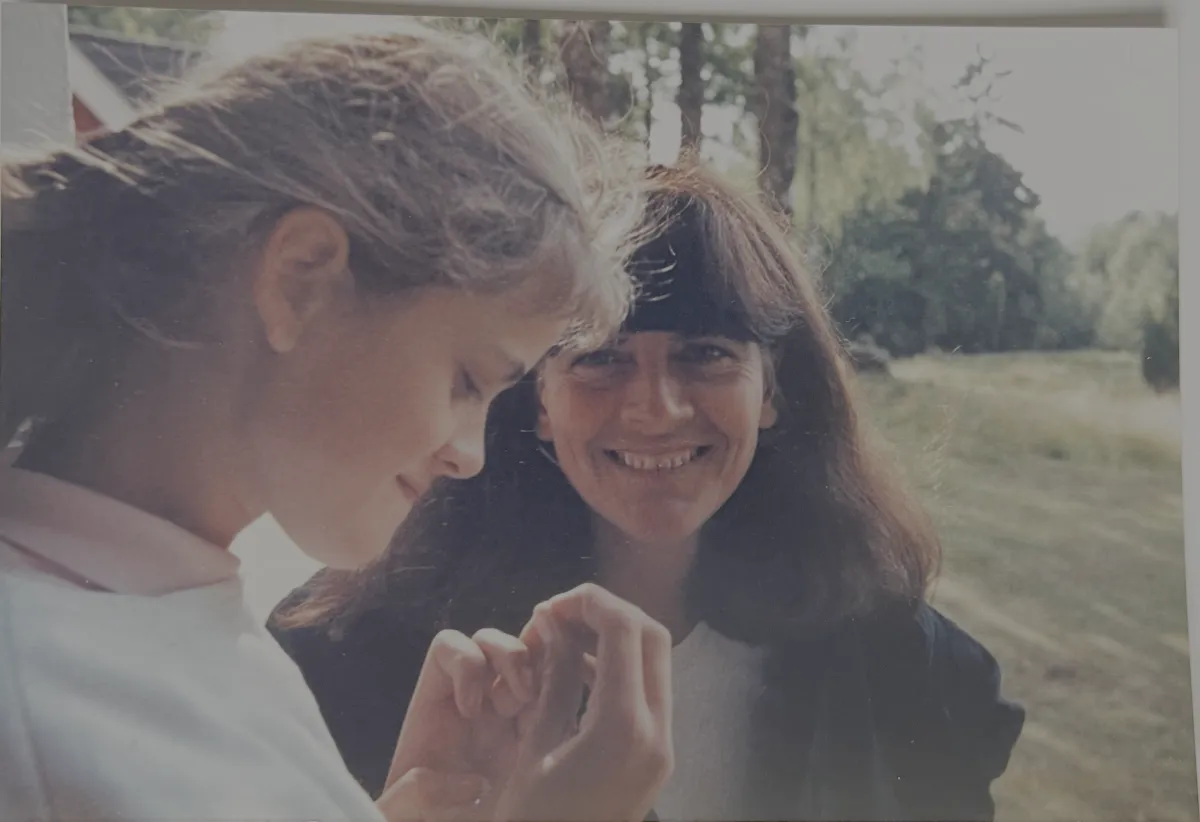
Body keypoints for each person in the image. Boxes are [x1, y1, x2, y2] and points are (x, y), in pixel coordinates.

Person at [0, 19, 674, 822]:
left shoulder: (163, 611)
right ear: (301, 280)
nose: (469, 456)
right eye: (467, 379)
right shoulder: (39, 690)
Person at [270, 161, 1027, 822]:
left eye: (706, 354)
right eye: (600, 359)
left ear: (773, 393)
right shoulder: (344, 657)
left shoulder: (919, 676)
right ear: (535, 400)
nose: (656, 409)